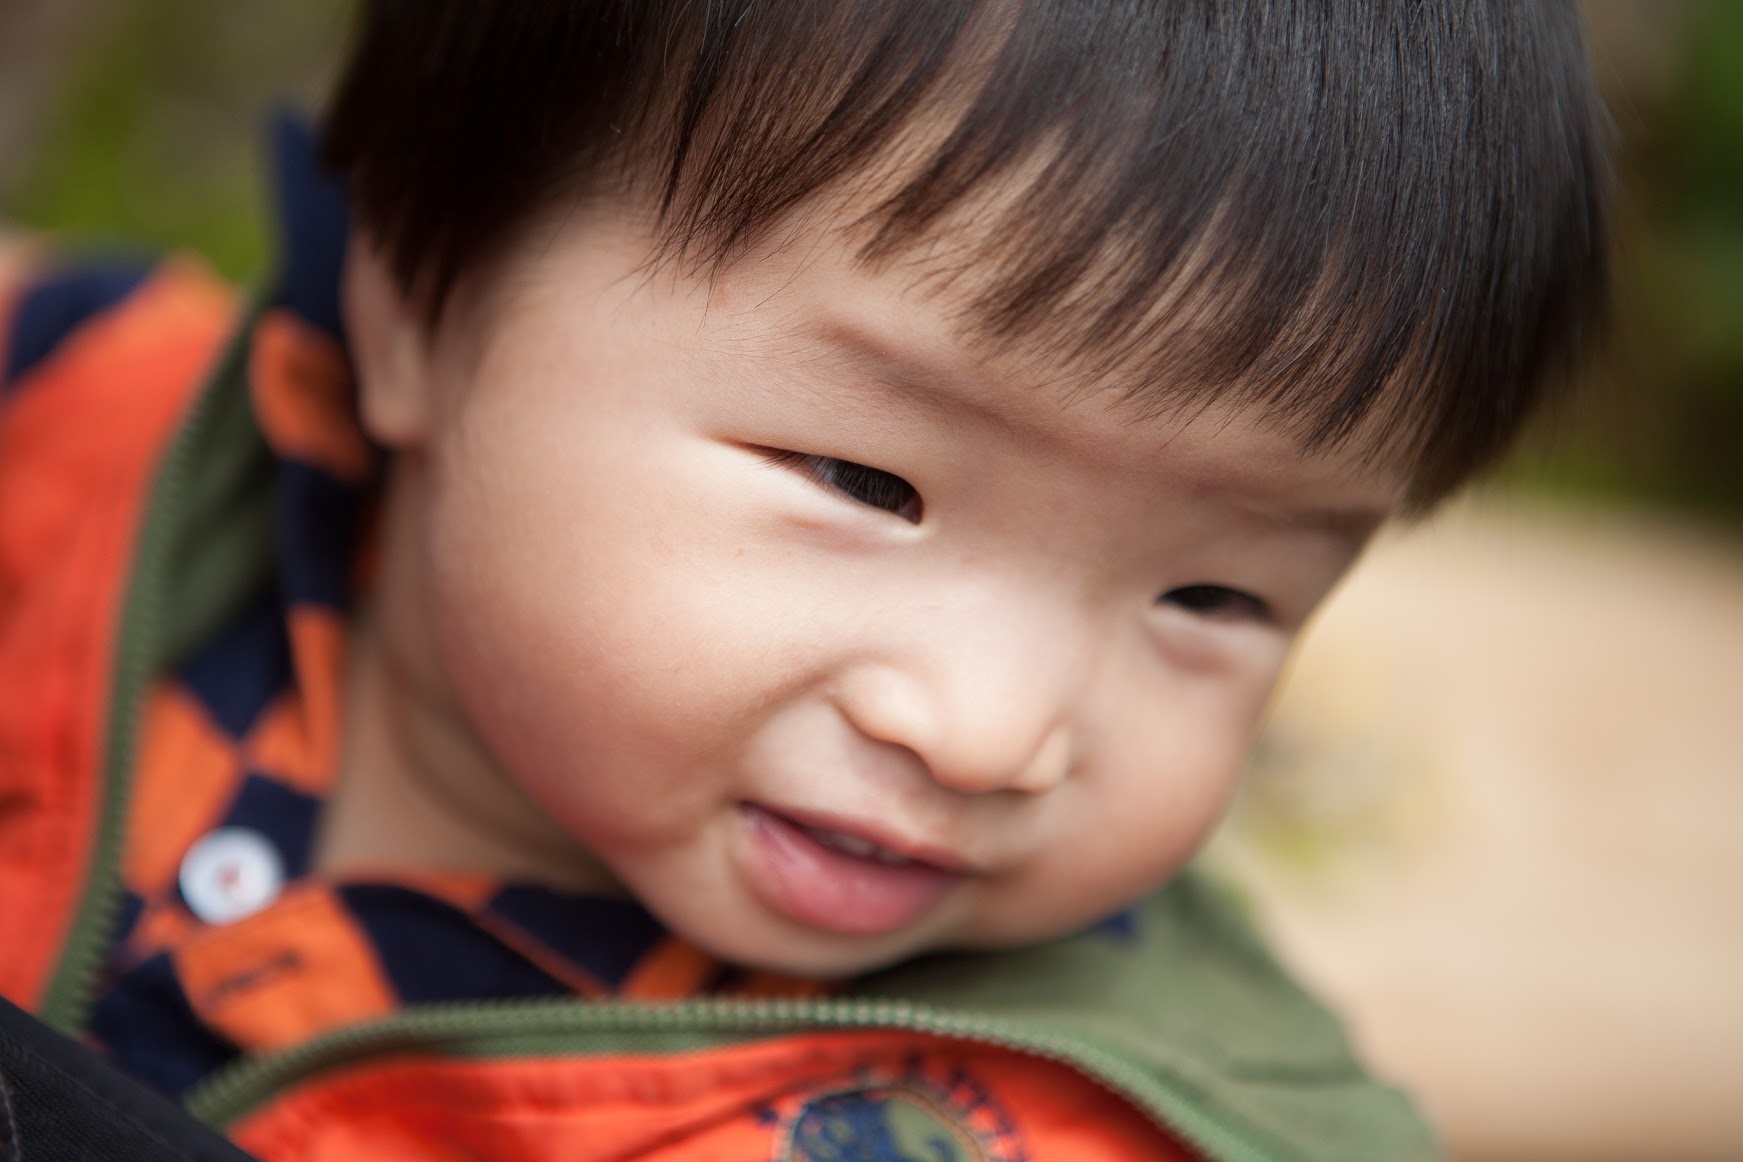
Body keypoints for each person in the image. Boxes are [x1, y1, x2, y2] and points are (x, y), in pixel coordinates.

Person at [0, 1, 1607, 1159]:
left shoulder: (1038, 1127)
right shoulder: (72, 421)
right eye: (866, 483)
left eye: (1216, 598)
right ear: (421, 299)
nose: (991, 733)